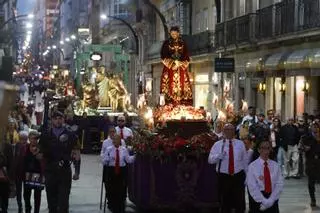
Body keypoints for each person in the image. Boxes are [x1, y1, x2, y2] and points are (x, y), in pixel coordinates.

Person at [39, 111, 80, 213]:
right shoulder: (45, 135)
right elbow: (40, 153)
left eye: (60, 118)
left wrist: (77, 171)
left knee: (63, 202)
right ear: (52, 120)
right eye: (55, 118)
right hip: (50, 171)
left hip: (64, 171)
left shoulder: (70, 135)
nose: (58, 120)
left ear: (63, 120)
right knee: (51, 202)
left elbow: (76, 154)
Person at [208, 123, 247, 213]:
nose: (229, 131)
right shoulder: (218, 145)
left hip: (238, 176)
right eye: (227, 129)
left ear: (234, 131)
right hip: (224, 176)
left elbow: (244, 161)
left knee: (239, 201)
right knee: (225, 201)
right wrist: (218, 156)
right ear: (223, 131)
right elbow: (210, 160)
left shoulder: (240, 144)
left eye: (231, 129)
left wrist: (247, 176)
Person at [247, 141, 284, 213]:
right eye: (263, 148)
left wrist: (271, 200)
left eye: (268, 148)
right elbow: (252, 186)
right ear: (258, 150)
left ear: (270, 149)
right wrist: (264, 201)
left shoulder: (275, 165)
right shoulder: (252, 166)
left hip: (273, 197)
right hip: (258, 199)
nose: (265, 151)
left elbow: (279, 184)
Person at [160, 26, 193, 105]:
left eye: (175, 33)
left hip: (181, 68)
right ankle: (168, 103)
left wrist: (180, 63)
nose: (174, 35)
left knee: (183, 84)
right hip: (169, 68)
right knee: (168, 84)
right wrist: (172, 63)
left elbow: (186, 55)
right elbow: (163, 55)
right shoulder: (166, 43)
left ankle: (183, 102)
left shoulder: (183, 43)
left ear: (178, 34)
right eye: (172, 34)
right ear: (170, 34)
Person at [102, 135, 135, 213]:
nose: (115, 141)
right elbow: (104, 161)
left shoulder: (124, 149)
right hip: (111, 171)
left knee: (121, 189)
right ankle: (112, 205)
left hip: (121, 171)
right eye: (114, 139)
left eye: (117, 139)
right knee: (111, 188)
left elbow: (128, 160)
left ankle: (121, 206)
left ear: (120, 141)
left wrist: (136, 156)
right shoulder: (109, 149)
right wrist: (107, 159)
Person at [23, 131, 44, 213]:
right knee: (26, 195)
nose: (34, 140)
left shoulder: (41, 148)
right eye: (32, 138)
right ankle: (28, 210)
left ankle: (36, 211)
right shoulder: (25, 148)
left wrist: (40, 157)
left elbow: (44, 161)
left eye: (36, 139)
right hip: (27, 175)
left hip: (38, 174)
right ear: (29, 139)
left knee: (37, 196)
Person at [300, 122, 320, 207]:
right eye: (313, 127)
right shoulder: (306, 138)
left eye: (316, 127)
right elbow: (300, 148)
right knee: (311, 183)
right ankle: (313, 199)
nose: (315, 129)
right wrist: (304, 149)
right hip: (311, 163)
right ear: (310, 128)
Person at [13, 131, 29, 213]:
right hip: (18, 172)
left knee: (26, 192)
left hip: (26, 173)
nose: (23, 140)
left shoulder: (28, 146)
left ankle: (27, 206)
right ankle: (20, 206)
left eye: (25, 139)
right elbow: (15, 159)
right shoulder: (17, 146)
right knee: (19, 191)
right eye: (22, 139)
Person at [0, 139, 14, 213]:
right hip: (5, 176)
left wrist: (9, 177)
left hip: (4, 177)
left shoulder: (7, 146)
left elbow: (11, 162)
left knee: (4, 197)